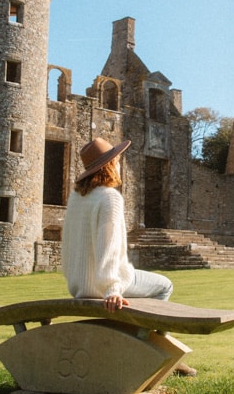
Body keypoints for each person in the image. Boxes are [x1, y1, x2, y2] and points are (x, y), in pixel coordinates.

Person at [61, 137, 196, 376]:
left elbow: (70, 243)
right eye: (117, 160)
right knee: (164, 286)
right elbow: (109, 245)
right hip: (104, 285)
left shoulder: (76, 198)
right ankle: (151, 350)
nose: (120, 164)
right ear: (109, 165)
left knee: (147, 289)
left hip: (79, 285)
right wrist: (112, 288)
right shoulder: (109, 197)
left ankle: (151, 347)